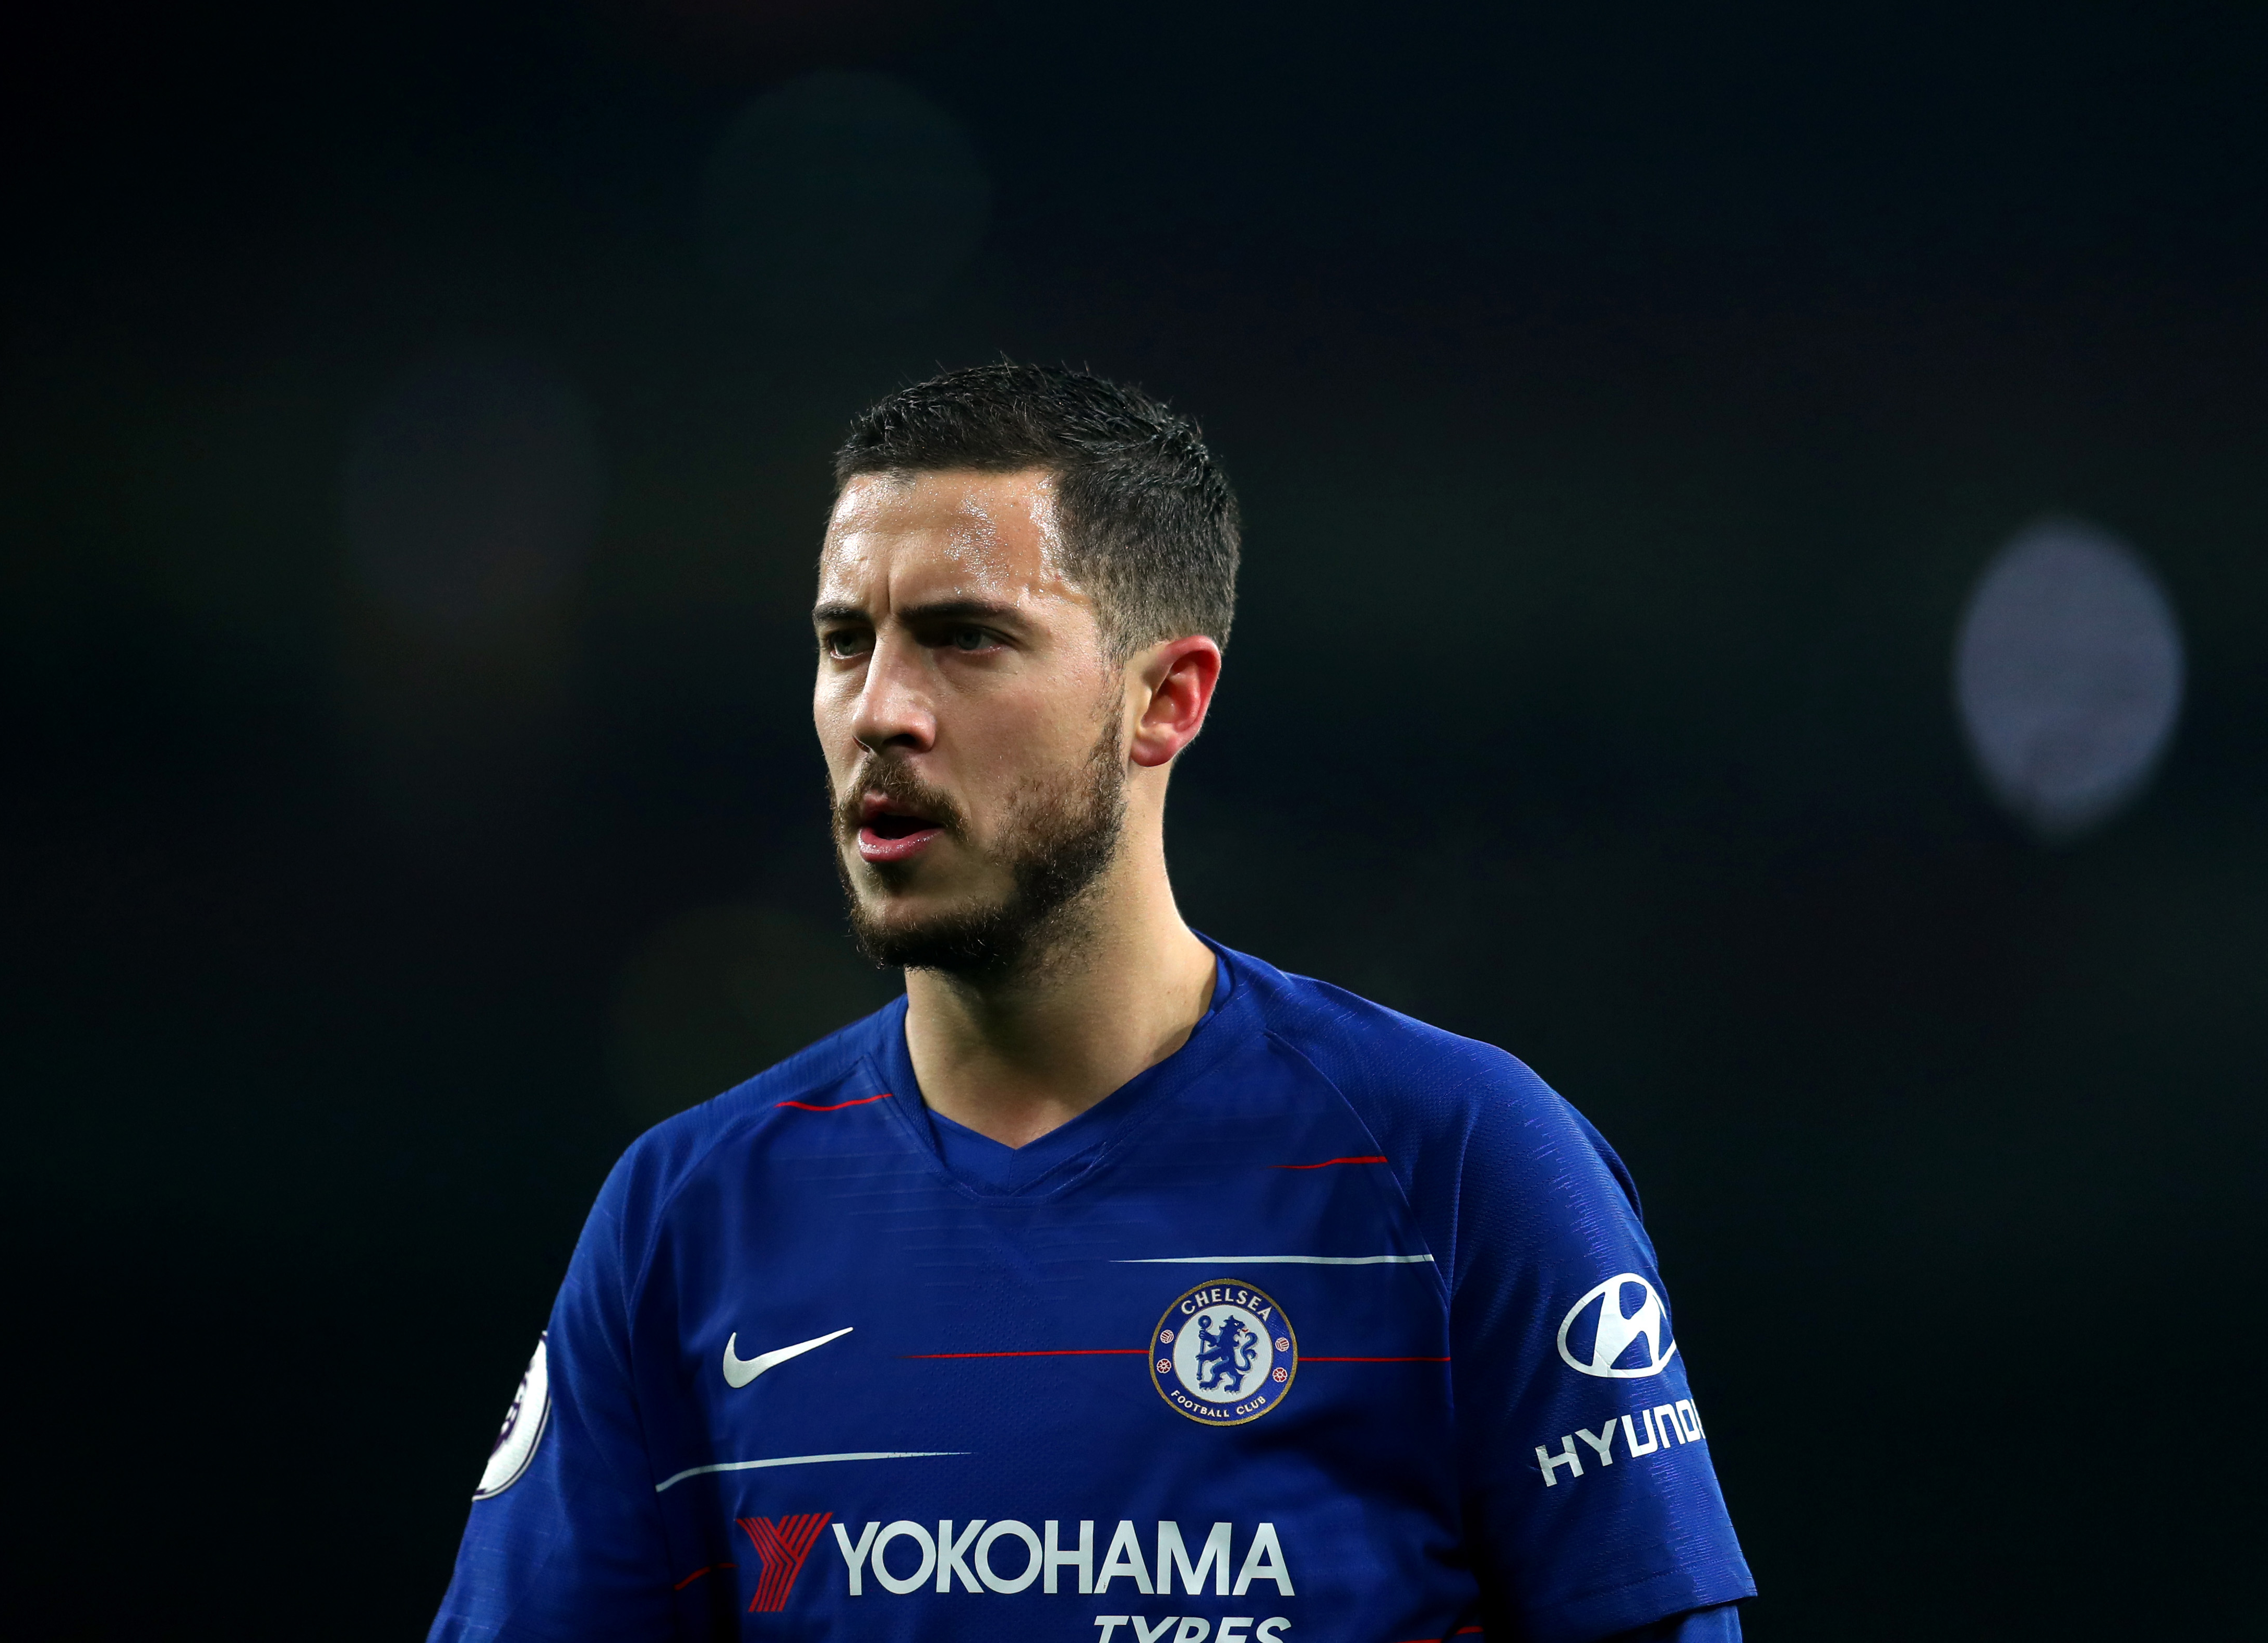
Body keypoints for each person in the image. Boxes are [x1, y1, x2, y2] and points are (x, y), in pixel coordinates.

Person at [428, 364, 1755, 1642]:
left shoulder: (1464, 1162)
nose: (882, 709)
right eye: (846, 642)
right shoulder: (685, 1215)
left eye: (965, 639)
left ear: (1164, 700)